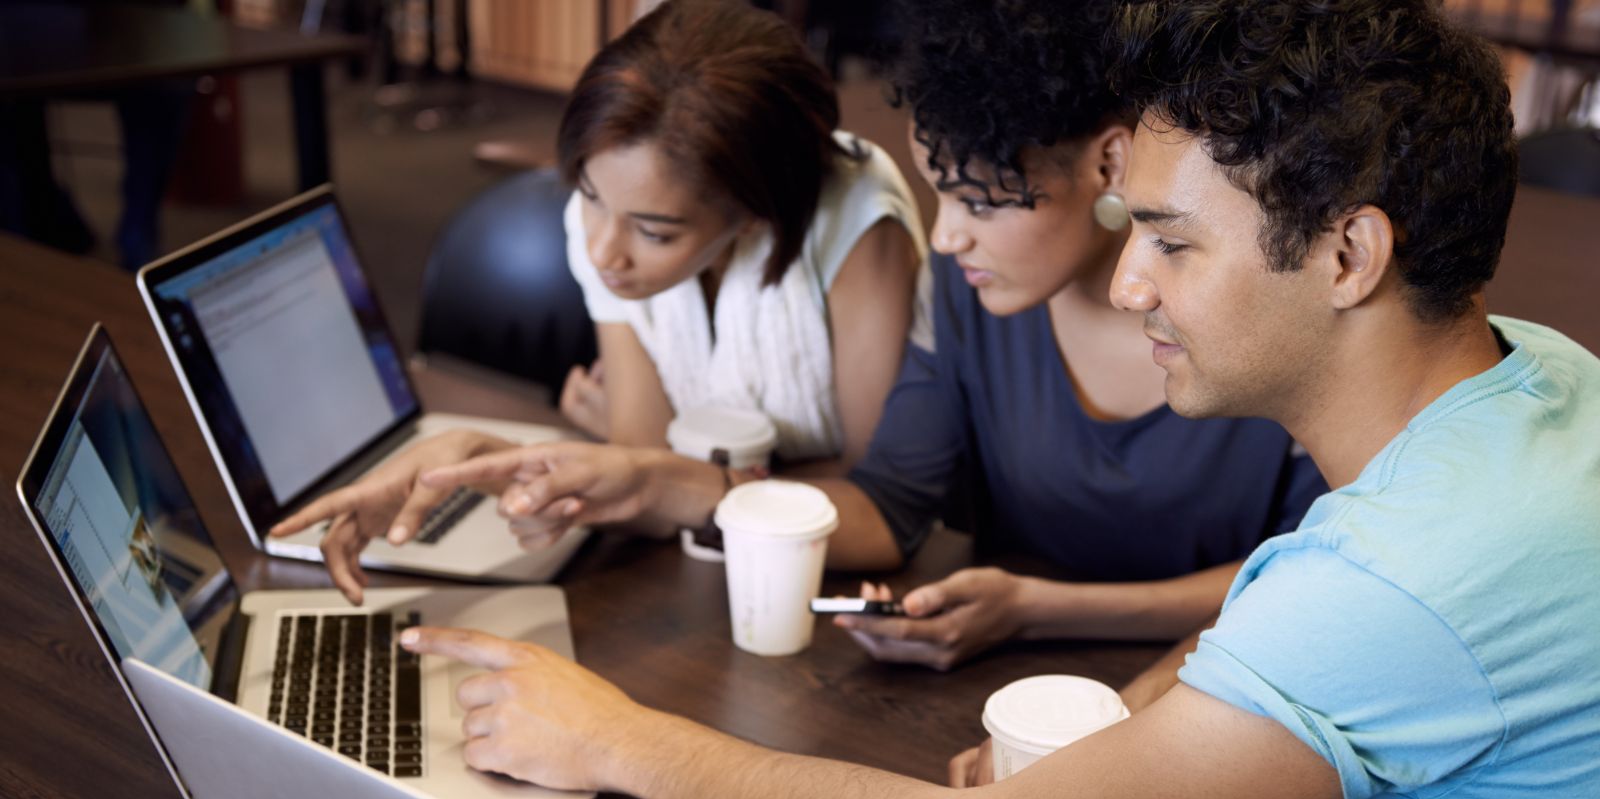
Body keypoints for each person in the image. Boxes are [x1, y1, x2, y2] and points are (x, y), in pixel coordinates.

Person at [395, 0, 1599, 799]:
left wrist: (613, 740)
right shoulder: (1535, 379)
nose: (1131, 287)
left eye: (1172, 243)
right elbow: (1297, 614)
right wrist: (1127, 719)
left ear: (1348, 254)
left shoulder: (1393, 582)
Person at [315, 0, 1323, 684]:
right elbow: (882, 507)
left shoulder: (1262, 322)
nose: (948, 231)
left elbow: (1314, 583)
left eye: (976, 198)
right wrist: (556, 468)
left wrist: (1039, 607)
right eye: (939, 192)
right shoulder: (974, 293)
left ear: (1109, 162)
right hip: (1016, 683)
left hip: (1240, 690)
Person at [552, 0, 924, 463]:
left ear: (755, 211)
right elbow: (643, 457)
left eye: (654, 234)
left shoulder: (855, 218)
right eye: (589, 197)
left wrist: (664, 469)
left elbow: (881, 483)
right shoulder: (612, 214)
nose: (601, 253)